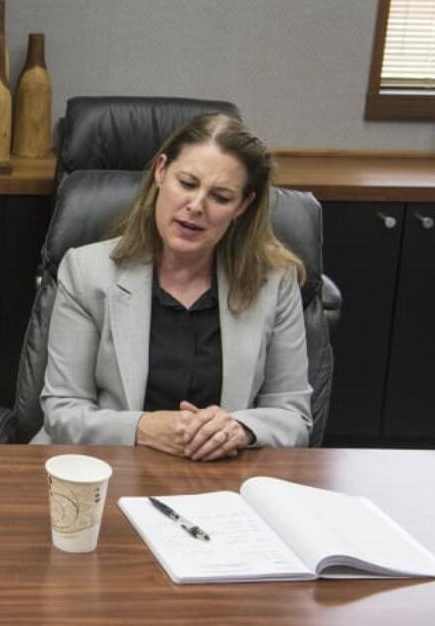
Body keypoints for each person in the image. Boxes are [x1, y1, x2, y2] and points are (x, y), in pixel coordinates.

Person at [31, 113, 311, 459]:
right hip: (106, 469)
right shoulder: (88, 272)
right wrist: (142, 428)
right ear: (161, 171)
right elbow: (62, 411)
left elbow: (293, 415)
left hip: (220, 482)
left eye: (220, 197)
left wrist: (241, 429)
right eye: (188, 183)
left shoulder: (274, 283)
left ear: (243, 205)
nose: (196, 206)